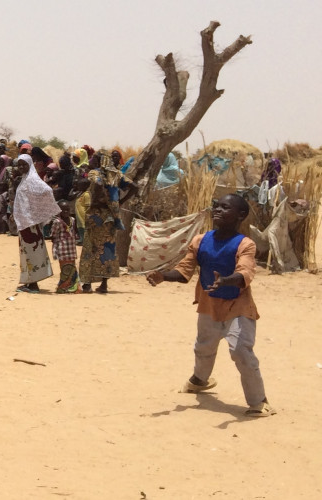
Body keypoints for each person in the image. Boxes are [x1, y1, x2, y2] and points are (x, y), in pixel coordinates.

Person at [147, 194, 273, 417]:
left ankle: (260, 401)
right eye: (217, 206)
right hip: (208, 304)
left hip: (238, 306)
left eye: (225, 208)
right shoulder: (200, 240)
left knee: (240, 350)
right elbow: (184, 270)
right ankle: (199, 380)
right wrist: (163, 276)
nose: (218, 210)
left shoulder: (246, 244)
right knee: (204, 346)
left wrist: (226, 280)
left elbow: (245, 271)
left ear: (240, 215)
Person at [79, 151, 127, 294]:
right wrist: (119, 202)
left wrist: (99, 194)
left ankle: (87, 285)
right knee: (106, 249)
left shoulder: (95, 173)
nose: (91, 160)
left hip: (96, 215)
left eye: (94, 159)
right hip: (111, 216)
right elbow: (134, 186)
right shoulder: (116, 174)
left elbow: (98, 183)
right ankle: (104, 285)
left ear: (99, 161)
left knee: (90, 248)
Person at [12, 154, 61, 293]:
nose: (21, 167)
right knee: (26, 252)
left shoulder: (32, 179)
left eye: (24, 164)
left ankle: (33, 285)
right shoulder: (25, 179)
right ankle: (29, 282)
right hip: (25, 223)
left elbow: (47, 190)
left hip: (30, 224)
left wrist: (38, 211)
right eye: (19, 164)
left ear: (30, 164)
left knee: (32, 252)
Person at [51, 201, 80, 294]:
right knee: (65, 269)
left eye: (68, 210)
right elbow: (53, 235)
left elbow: (75, 231)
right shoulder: (57, 222)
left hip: (71, 249)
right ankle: (63, 287)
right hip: (62, 250)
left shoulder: (73, 220)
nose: (66, 212)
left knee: (72, 269)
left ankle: (72, 287)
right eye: (63, 210)